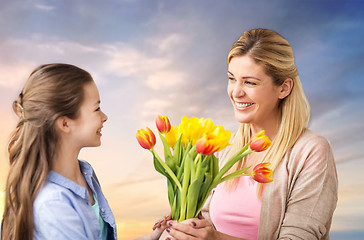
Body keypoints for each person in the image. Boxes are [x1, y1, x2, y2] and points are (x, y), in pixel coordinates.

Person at [163, 29, 338, 239]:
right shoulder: (224, 150)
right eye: (232, 78)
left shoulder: (311, 151)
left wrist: (216, 239)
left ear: (284, 88)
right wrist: (185, 224)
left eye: (250, 82)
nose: (236, 92)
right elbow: (209, 222)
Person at [0, 64, 167, 240]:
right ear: (65, 124)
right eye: (96, 109)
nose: (104, 117)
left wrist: (154, 236)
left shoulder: (86, 173)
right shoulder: (54, 205)